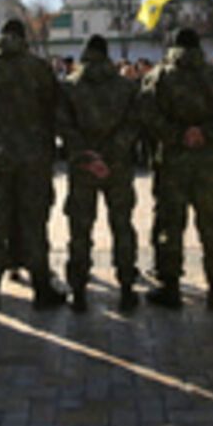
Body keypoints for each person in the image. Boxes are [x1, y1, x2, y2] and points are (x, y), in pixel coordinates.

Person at [0, 18, 65, 310]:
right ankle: (41, 289)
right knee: (34, 222)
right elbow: (54, 113)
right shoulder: (39, 68)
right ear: (23, 38)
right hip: (34, 159)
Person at [140, 28, 213, 310]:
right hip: (207, 162)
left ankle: (170, 286)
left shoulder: (159, 76)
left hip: (172, 162)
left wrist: (177, 134)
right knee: (211, 224)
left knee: (170, 224)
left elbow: (147, 114)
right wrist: (206, 133)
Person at [57, 35, 140, 312]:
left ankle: (78, 290)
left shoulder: (70, 86)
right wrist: (111, 155)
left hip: (82, 168)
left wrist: (87, 156)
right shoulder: (125, 86)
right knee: (122, 226)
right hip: (117, 166)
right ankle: (127, 287)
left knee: (80, 228)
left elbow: (63, 127)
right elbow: (133, 125)